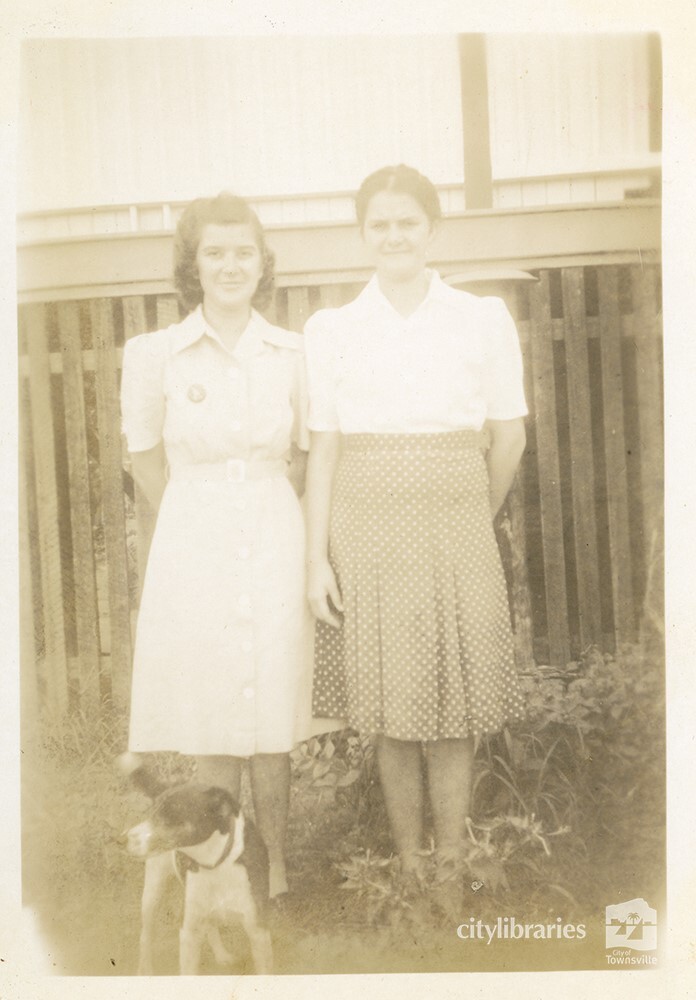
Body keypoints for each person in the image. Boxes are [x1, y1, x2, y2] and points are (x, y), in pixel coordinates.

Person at [303, 165, 528, 881]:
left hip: (458, 518)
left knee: (454, 704)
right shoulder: (332, 327)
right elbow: (325, 448)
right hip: (364, 525)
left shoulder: (481, 316)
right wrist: (317, 560)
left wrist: (466, 514)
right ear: (363, 233)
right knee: (391, 704)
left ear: (433, 230)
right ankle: (408, 863)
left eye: (408, 221)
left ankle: (453, 863)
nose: (394, 235)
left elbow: (509, 436)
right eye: (380, 223)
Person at [120, 192, 311, 899]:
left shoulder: (291, 353)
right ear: (192, 265)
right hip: (193, 535)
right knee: (210, 700)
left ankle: (275, 862)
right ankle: (215, 862)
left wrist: (256, 509)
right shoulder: (155, 356)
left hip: (271, 525)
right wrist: (198, 523)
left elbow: (304, 453)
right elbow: (145, 459)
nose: (230, 265)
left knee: (268, 703)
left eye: (243, 252)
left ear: (262, 263)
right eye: (215, 252)